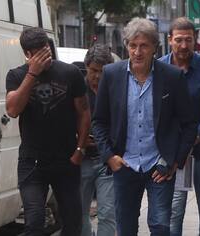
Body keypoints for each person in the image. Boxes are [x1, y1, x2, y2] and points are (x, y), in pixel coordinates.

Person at [92, 18, 197, 236]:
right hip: (125, 164)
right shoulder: (111, 74)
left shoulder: (172, 76)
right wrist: (109, 156)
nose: (137, 52)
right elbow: (99, 121)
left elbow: (189, 124)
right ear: (126, 46)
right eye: (132, 45)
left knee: (160, 225)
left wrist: (175, 160)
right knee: (125, 225)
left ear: (154, 48)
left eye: (143, 46)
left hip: (159, 165)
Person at [6, 27, 90, 235]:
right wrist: (32, 73)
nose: (46, 55)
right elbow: (13, 110)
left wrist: (80, 150)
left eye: (47, 49)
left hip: (66, 159)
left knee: (72, 223)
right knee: (34, 222)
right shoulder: (16, 75)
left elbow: (84, 112)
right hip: (32, 161)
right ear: (27, 54)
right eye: (39, 52)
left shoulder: (70, 73)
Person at [159, 17, 200, 236]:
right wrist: (178, 147)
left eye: (188, 40)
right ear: (170, 40)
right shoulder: (159, 68)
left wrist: (191, 139)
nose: (184, 45)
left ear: (195, 40)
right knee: (174, 211)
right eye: (178, 40)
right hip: (174, 153)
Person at [80, 44, 115, 236]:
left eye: (102, 71)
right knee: (79, 213)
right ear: (86, 67)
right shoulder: (77, 88)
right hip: (82, 157)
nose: (97, 76)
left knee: (108, 212)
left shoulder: (113, 88)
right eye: (93, 70)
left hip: (107, 158)